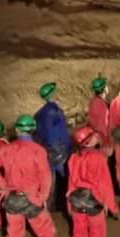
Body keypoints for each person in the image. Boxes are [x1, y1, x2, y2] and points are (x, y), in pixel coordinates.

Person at [67, 126, 118, 237]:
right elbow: (105, 185)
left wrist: (68, 204)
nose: (97, 136)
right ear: (89, 140)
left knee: (78, 236)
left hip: (76, 201)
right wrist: (113, 207)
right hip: (93, 202)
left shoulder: (73, 158)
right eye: (94, 135)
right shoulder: (98, 158)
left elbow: (70, 184)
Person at [33, 82, 72, 210]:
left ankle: (50, 206)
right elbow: (54, 132)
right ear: (52, 94)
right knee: (69, 177)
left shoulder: (39, 114)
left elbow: (39, 134)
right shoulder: (52, 111)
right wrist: (60, 148)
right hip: (58, 149)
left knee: (49, 180)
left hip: (46, 149)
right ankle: (69, 205)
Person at [87, 77, 112, 156]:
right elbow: (102, 125)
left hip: (97, 137)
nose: (108, 87)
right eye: (106, 86)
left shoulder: (95, 101)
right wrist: (106, 142)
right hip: (101, 140)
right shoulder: (100, 104)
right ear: (104, 89)